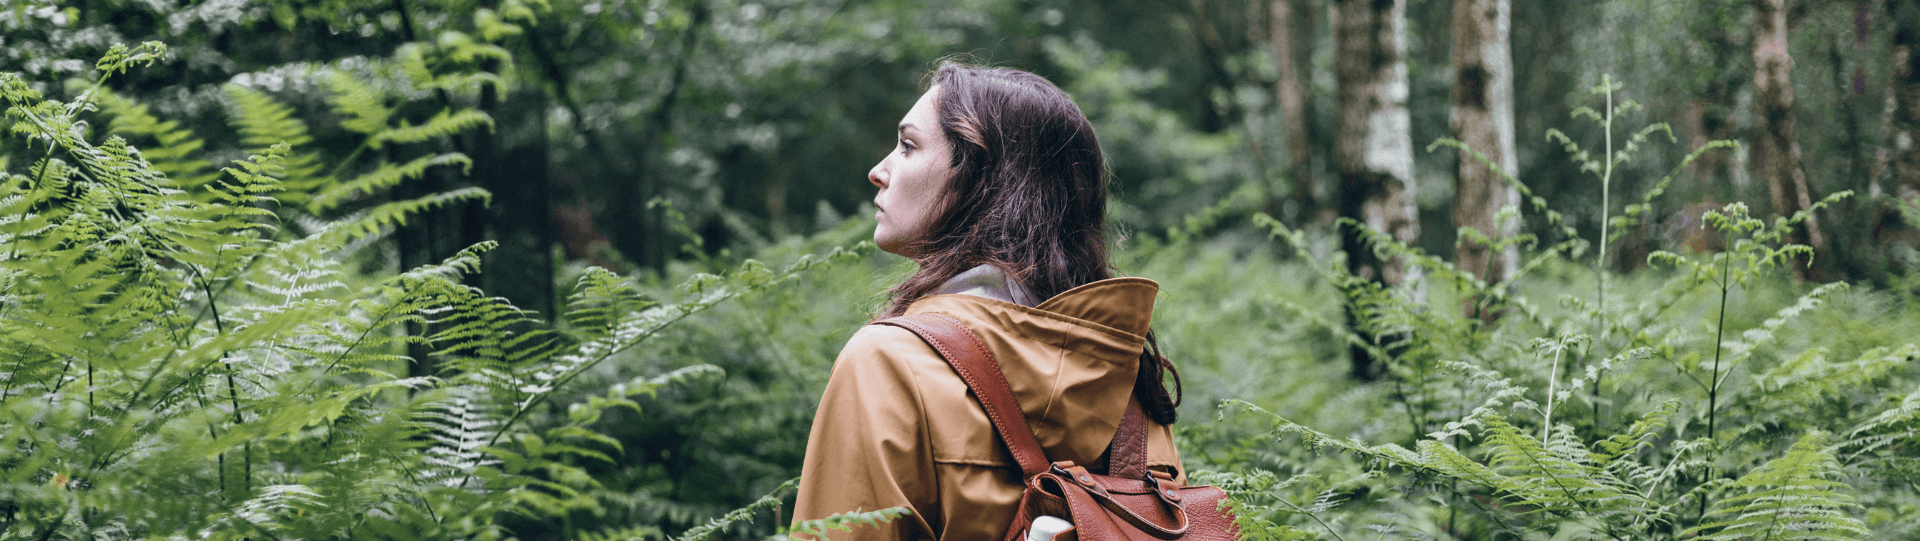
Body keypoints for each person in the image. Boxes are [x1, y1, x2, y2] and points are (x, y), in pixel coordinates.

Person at [790, 61, 1186, 541]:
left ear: (979, 177)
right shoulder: (1126, 377)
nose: (878, 171)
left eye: (909, 145)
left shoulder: (891, 364)